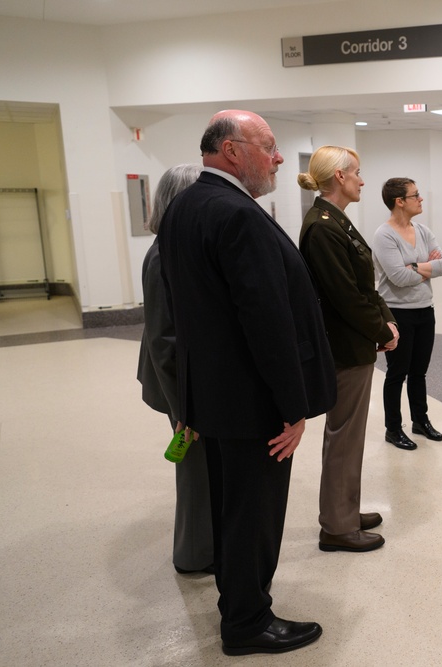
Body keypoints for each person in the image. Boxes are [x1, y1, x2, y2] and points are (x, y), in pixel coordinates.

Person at [158, 110, 337, 656]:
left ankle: (237, 604)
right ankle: (247, 621)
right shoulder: (235, 214)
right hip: (253, 401)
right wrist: (292, 406)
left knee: (232, 509)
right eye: (270, 146)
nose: (280, 157)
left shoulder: (184, 208)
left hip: (215, 396)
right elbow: (265, 319)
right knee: (254, 514)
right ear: (233, 151)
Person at [298, 146, 399, 553]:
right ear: (338, 176)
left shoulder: (336, 221)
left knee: (350, 435)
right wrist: (382, 329)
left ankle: (345, 509)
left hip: (354, 341)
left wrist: (385, 319)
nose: (362, 180)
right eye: (357, 172)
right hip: (343, 346)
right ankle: (337, 527)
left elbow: (365, 285)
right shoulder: (323, 227)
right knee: (343, 435)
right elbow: (344, 296)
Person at [136, 163, 213, 575]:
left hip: (187, 381)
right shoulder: (163, 254)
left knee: (202, 470)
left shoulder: (178, 247)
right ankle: (195, 555)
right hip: (178, 384)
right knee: (195, 471)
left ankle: (206, 546)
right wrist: (183, 408)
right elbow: (163, 340)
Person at [372, 178, 442, 449]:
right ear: (399, 201)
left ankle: (420, 421)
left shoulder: (423, 230)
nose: (421, 199)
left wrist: (414, 266)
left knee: (419, 372)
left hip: (424, 310)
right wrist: (425, 267)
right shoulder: (384, 235)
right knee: (397, 373)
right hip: (397, 313)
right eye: (415, 195)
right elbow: (397, 277)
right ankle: (393, 428)